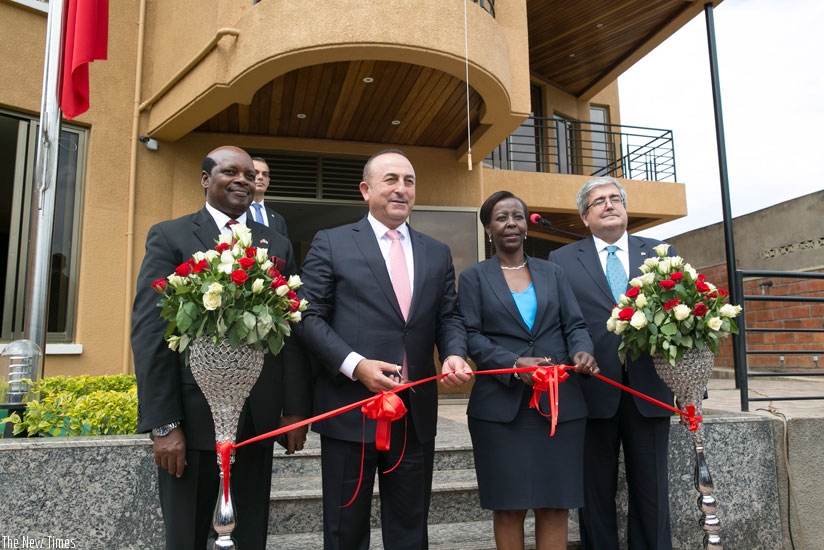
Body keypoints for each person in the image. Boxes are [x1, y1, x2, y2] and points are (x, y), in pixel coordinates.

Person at [131, 146, 313, 549]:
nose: (243, 181)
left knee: (249, 535)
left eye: (250, 175)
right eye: (231, 172)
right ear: (205, 179)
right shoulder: (171, 236)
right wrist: (164, 424)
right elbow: (150, 333)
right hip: (190, 425)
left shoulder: (277, 244)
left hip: (256, 422)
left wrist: (296, 409)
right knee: (187, 536)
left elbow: (294, 333)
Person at [296, 148, 473, 550]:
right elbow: (308, 317)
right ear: (365, 189)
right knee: (345, 530)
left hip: (414, 413)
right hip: (351, 409)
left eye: (409, 181)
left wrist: (453, 353)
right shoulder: (332, 242)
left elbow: (449, 317)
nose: (401, 189)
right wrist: (356, 366)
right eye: (390, 179)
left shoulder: (436, 251)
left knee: (411, 529)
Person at [458, 190, 598, 550]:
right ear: (489, 228)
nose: (511, 224)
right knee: (508, 507)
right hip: (500, 411)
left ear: (526, 225)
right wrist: (511, 363)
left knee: (555, 505)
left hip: (559, 406)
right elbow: (470, 336)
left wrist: (583, 351)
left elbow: (576, 326)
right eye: (502, 217)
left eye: (517, 216)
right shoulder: (474, 277)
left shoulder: (553, 272)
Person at [548, 176, 674, 550]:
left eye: (615, 198)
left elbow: (686, 325)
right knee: (595, 492)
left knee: (652, 491)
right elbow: (558, 322)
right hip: (590, 389)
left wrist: (689, 388)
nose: (608, 204)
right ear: (585, 217)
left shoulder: (661, 253)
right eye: (598, 201)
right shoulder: (562, 259)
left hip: (650, 390)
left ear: (625, 207)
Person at [248, 156, 289, 238]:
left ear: (268, 181)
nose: (260, 177)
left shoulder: (278, 219)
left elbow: (284, 249)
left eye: (265, 174)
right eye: (256, 172)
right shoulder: (235, 212)